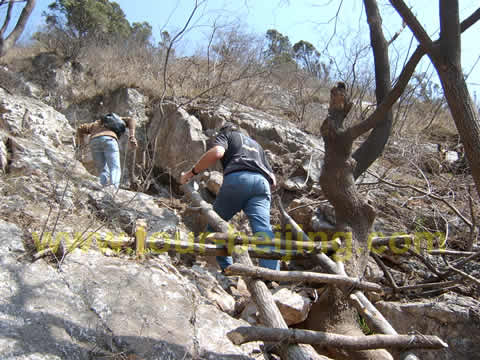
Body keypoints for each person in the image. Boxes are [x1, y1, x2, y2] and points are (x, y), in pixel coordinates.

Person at [180, 122, 279, 272]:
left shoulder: (227, 135)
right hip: (262, 183)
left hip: (238, 178)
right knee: (263, 229)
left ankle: (229, 270)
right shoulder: (256, 145)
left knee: (215, 226)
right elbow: (273, 179)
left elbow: (217, 152)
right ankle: (271, 274)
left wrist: (191, 173)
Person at [76, 113, 137, 189]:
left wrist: (82, 146)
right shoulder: (116, 119)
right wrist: (132, 136)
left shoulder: (94, 124)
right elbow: (132, 120)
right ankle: (113, 189)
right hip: (109, 139)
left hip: (94, 142)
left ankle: (104, 187)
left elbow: (80, 128)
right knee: (115, 168)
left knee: (103, 170)